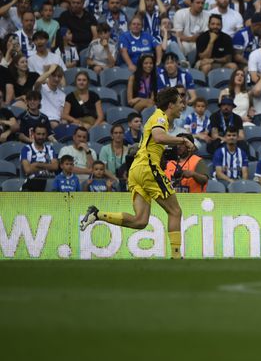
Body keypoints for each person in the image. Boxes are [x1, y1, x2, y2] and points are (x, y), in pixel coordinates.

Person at [80, 87, 194, 259]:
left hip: (136, 170)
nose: (183, 105)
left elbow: (156, 141)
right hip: (149, 169)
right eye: (179, 102)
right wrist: (182, 139)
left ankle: (97, 214)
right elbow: (158, 137)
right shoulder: (160, 117)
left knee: (140, 221)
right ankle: (177, 257)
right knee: (175, 211)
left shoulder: (158, 119)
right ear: (170, 105)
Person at [20, 122, 58, 192]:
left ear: (46, 135)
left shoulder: (50, 148)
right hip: (33, 182)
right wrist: (48, 166)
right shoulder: (26, 149)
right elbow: (27, 170)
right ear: (33, 134)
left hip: (50, 181)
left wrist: (36, 164)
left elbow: (55, 166)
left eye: (43, 134)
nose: (41, 137)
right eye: (38, 134)